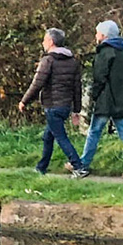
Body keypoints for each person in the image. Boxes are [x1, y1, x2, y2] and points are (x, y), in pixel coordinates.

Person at [16, 27, 85, 176]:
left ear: (51, 41)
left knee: (61, 137)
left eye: (44, 40)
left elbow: (37, 84)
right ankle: (41, 167)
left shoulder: (48, 61)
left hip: (52, 105)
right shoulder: (73, 62)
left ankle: (78, 166)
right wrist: (76, 110)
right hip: (65, 106)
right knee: (48, 136)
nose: (43, 43)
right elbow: (77, 88)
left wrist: (24, 101)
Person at [80, 19, 123, 180]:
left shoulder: (104, 54)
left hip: (106, 101)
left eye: (97, 33)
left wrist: (94, 96)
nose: (96, 36)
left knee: (94, 132)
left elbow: (99, 78)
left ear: (104, 35)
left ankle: (83, 164)